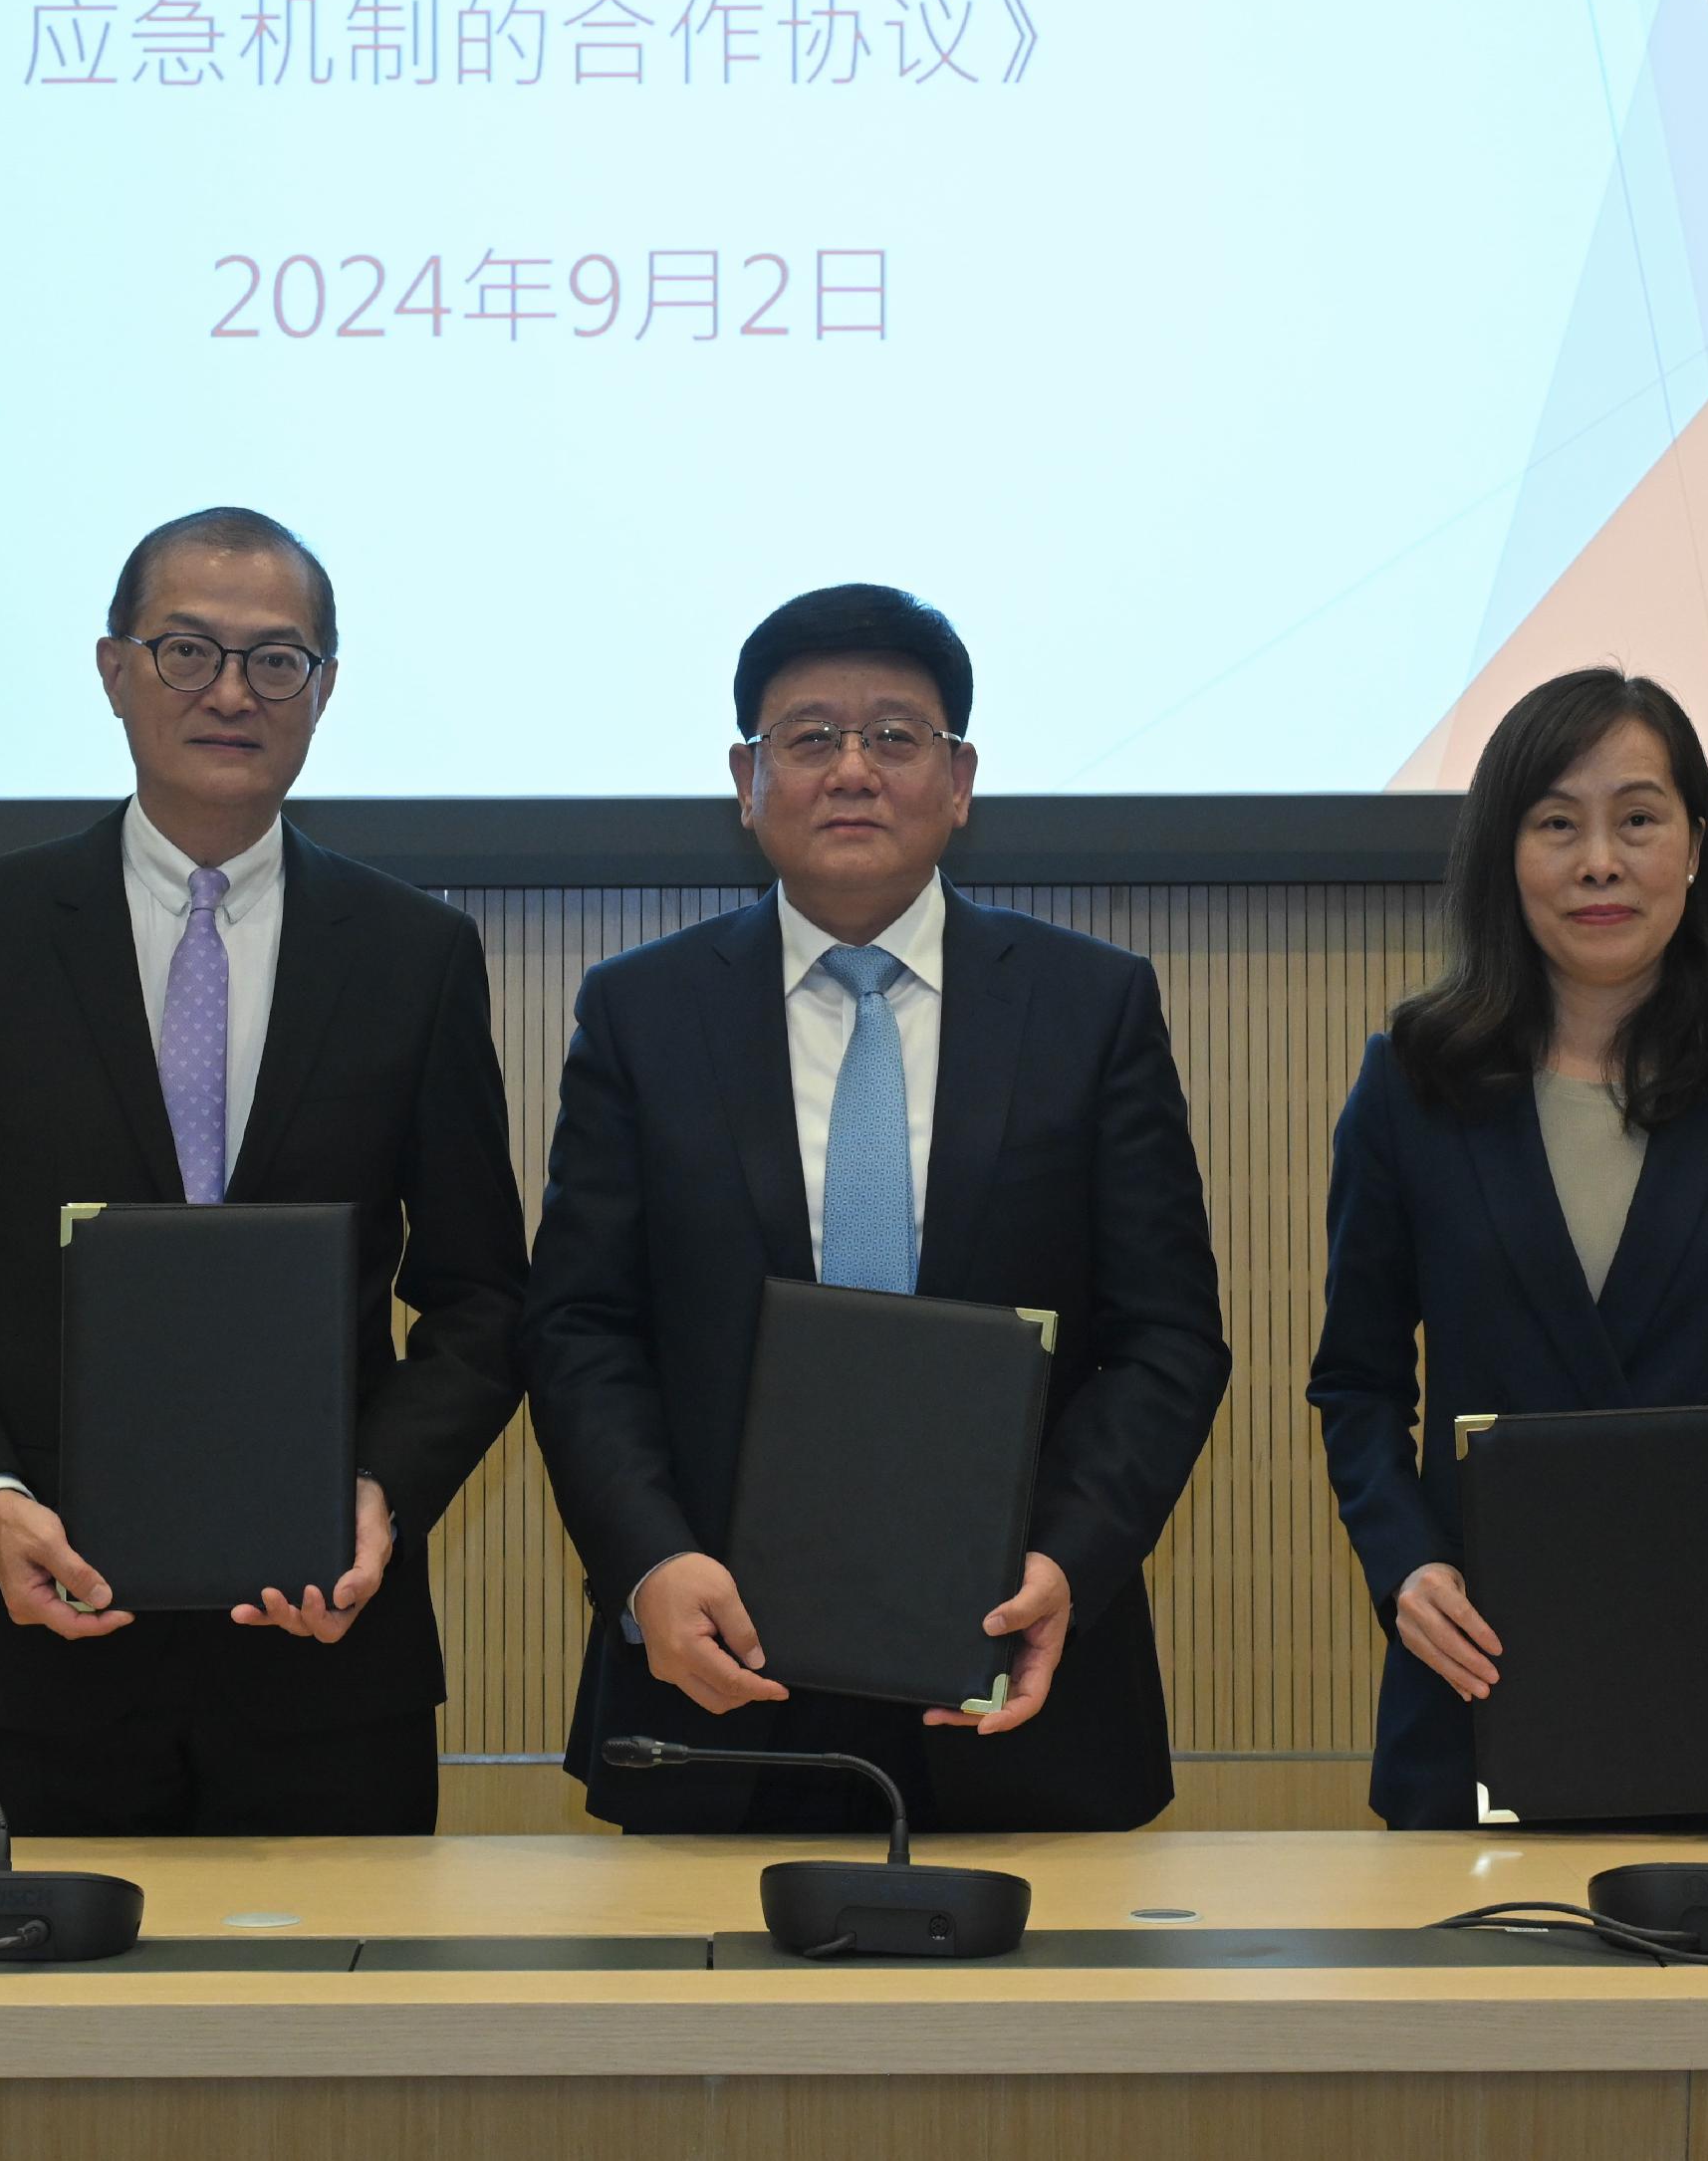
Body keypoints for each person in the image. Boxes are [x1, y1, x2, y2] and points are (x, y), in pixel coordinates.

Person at [0, 506, 530, 1836]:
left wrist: (376, 1494)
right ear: (113, 669)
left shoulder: (413, 952)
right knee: (29, 2042)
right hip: (45, 1651)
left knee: (334, 2040)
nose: (229, 691)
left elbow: (484, 1297)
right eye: (187, 649)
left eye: (276, 660)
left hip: (329, 1661)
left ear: (324, 687)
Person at [524, 584, 1230, 1834]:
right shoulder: (641, 1014)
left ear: (958, 779)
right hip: (715, 1692)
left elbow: (1166, 1338)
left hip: (1019, 1683)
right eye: (809, 738)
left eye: (894, 737)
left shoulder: (1090, 1007)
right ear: (747, 780)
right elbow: (581, 1330)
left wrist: (1063, 1564)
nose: (852, 770)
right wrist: (649, 1565)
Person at [1308, 667, 1708, 1833]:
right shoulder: (1408, 1087)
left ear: (1694, 846)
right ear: (1504, 857)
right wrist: (1406, 1567)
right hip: (1477, 1691)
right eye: (1556, 823)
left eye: (1637, 819)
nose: (1600, 861)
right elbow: (1357, 1387)